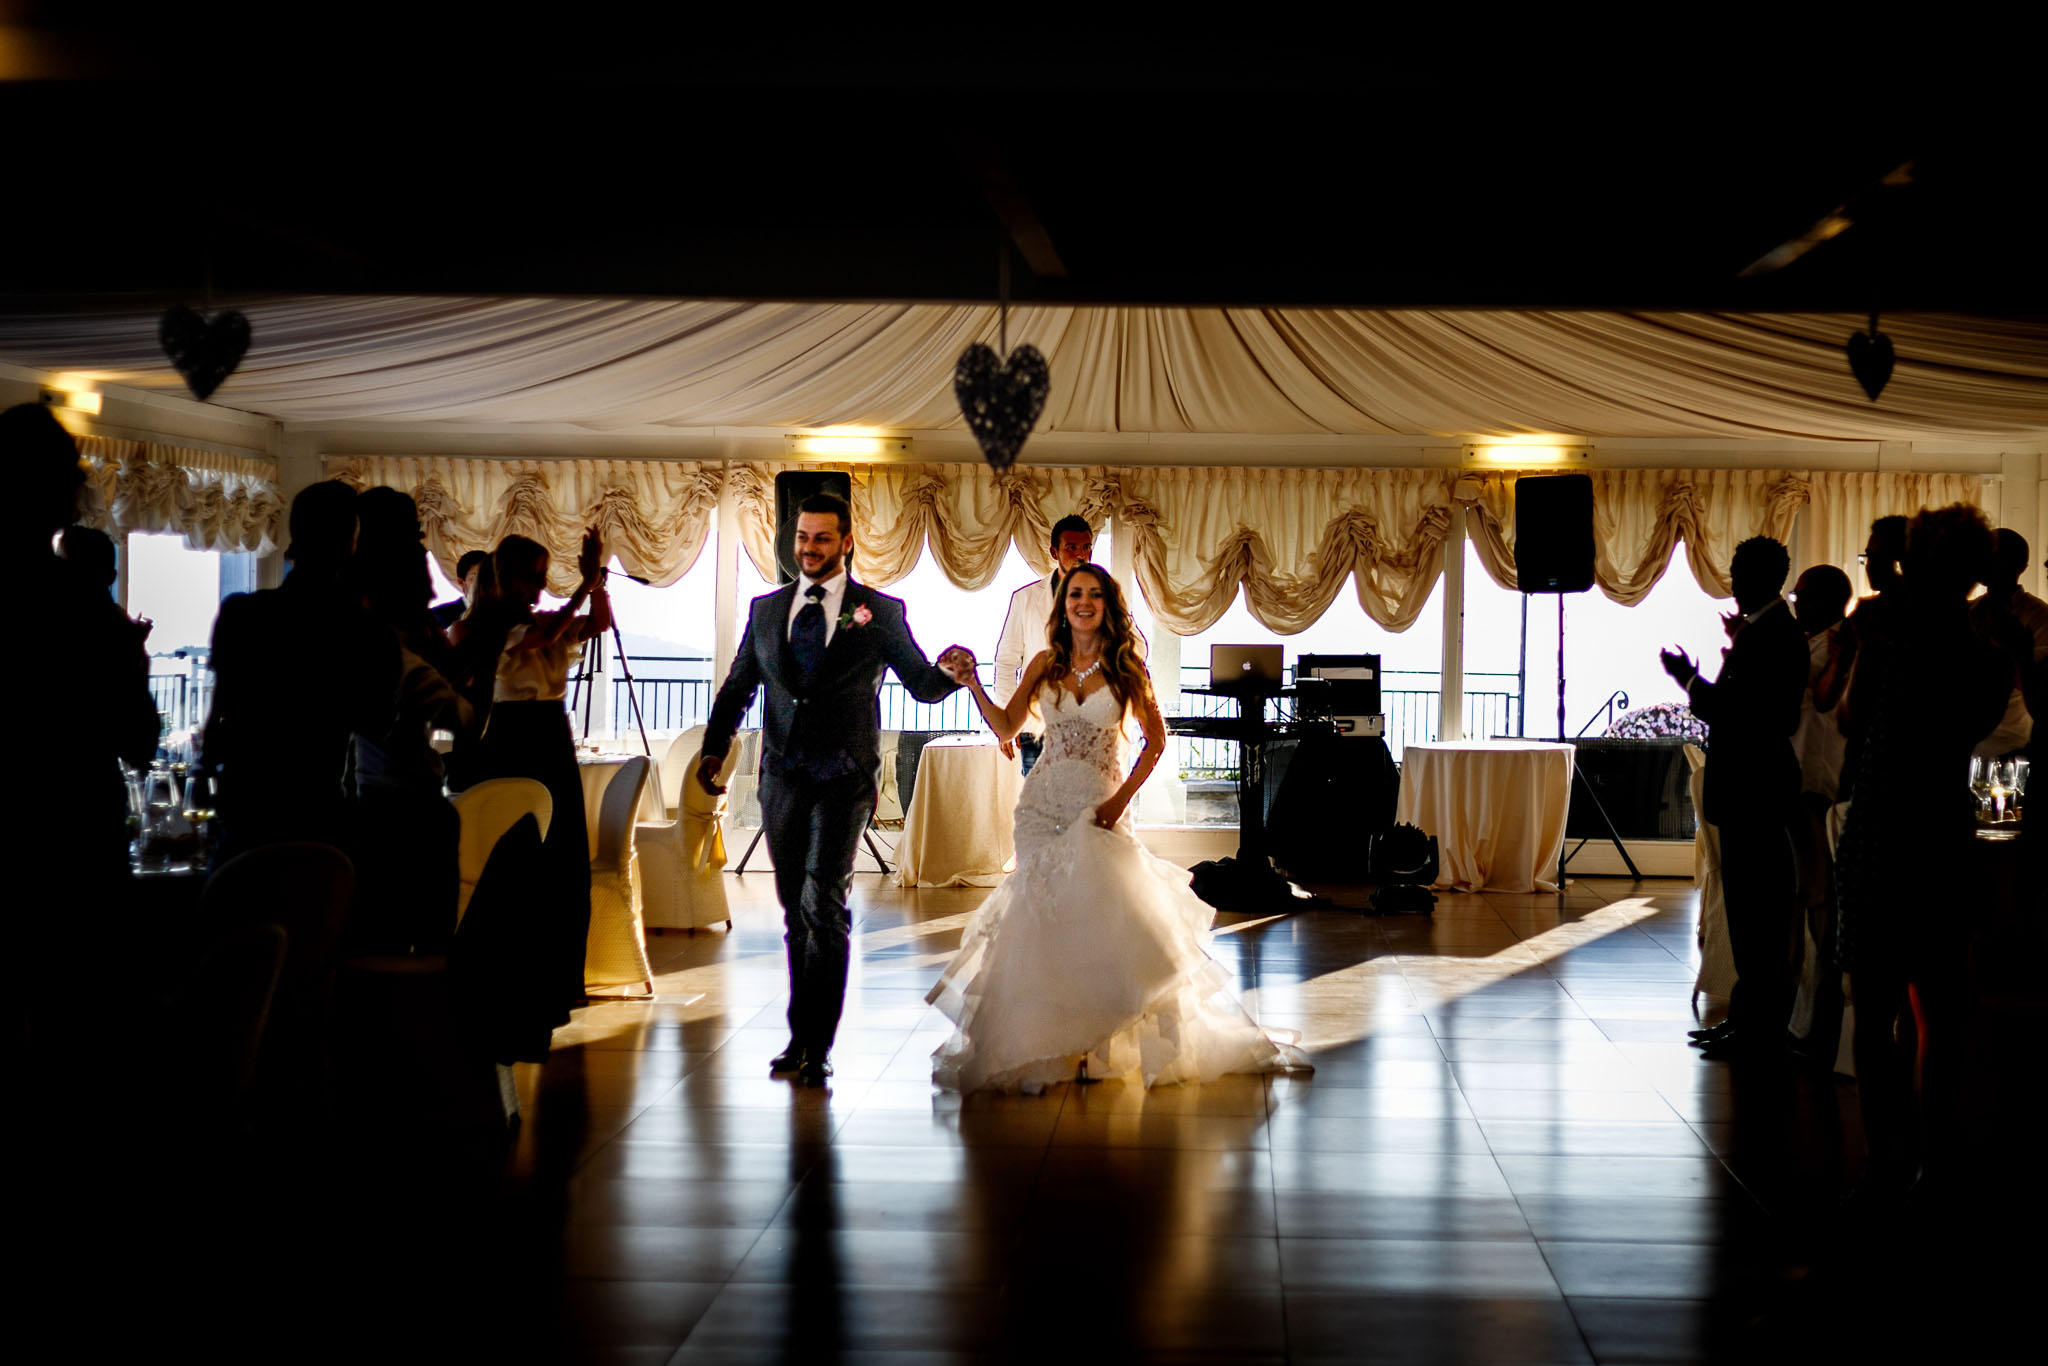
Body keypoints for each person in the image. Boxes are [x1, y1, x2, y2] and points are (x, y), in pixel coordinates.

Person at [928, 562, 1309, 1093]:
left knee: (1102, 920)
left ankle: (1098, 1044)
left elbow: (1155, 741)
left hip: (1099, 808)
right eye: (1074, 594)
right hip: (1038, 810)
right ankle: (1054, 1041)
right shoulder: (1043, 663)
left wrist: (1119, 802)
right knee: (1044, 923)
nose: (1082, 602)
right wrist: (971, 683)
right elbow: (1008, 726)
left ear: (1108, 606)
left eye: (1094, 595)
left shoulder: (1127, 668)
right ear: (1062, 606)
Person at [697, 492, 966, 1087]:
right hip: (782, 779)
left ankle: (817, 1044)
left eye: (822, 539)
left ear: (846, 543)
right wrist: (714, 747)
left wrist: (949, 674)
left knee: (825, 902)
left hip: (845, 779)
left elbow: (920, 684)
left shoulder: (879, 611)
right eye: (802, 539)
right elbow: (740, 684)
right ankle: (799, 1036)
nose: (810, 550)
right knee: (796, 912)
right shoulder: (766, 612)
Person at [1833, 504, 2010, 1202]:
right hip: (1940, 831)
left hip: (1880, 826)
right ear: (1975, 574)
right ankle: (1938, 1158)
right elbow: (1975, 736)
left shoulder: (1883, 643)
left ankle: (1884, 1155)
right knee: (1941, 1009)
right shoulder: (1989, 659)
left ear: (1912, 563)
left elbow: (1850, 721)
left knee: (1872, 1009)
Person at [451, 528, 609, 1016]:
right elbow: (544, 634)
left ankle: (563, 979)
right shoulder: (482, 628)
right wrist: (580, 587)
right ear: (507, 578)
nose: (539, 589)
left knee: (564, 860)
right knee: (518, 859)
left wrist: (597, 583)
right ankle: (508, 977)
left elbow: (599, 623)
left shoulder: (547, 622)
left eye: (542, 578)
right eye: (531, 578)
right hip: (510, 740)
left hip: (550, 737)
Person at [1661, 536, 1808, 1060]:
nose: (1733, 582)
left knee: (1758, 916)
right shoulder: (1766, 630)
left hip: (1755, 788)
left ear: (1762, 578)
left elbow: (1735, 711)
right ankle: (1746, 1021)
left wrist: (1688, 680)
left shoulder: (1770, 635)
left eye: (1738, 572)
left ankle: (1758, 1029)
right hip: (1756, 786)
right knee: (1751, 916)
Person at [347, 489, 512, 954]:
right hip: (404, 805)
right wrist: (492, 640)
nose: (429, 586)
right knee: (426, 937)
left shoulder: (366, 620)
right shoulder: (391, 644)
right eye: (416, 541)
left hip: (371, 800)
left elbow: (446, 672)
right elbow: (468, 721)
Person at [203, 479, 396, 865]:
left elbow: (214, 736)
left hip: (246, 813)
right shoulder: (363, 631)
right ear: (350, 544)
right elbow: (378, 724)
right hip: (317, 816)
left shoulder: (242, 613)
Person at [1786, 563, 1853, 1063]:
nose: (1796, 601)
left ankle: (1818, 1031)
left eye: (1805, 595)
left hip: (1816, 784)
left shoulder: (1837, 645)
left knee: (1819, 911)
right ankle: (1800, 1023)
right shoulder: (1813, 640)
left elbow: (1823, 705)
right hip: (1801, 783)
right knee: (1804, 908)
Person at [993, 515, 1100, 774]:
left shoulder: (1105, 597)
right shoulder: (1026, 599)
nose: (1080, 554)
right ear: (1054, 551)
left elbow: (1136, 648)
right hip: (1036, 727)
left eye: (1086, 547)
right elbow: (1006, 663)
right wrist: (1009, 722)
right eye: (1071, 547)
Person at [1968, 528, 2048, 759]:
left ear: (2019, 566)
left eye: (1994, 555)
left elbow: (2036, 683)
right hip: (1966, 746)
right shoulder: (1970, 611)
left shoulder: (2039, 616)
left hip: (2010, 746)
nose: (1984, 561)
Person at [431, 549, 489, 630]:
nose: (483, 581)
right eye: (475, 577)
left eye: (488, 576)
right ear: (461, 582)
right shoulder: (439, 615)